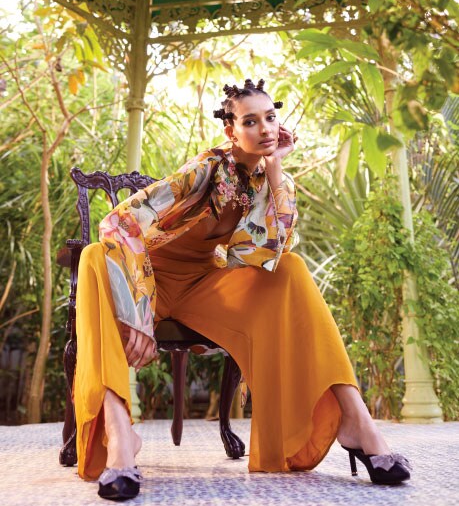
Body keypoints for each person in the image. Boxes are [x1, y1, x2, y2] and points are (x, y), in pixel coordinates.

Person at [74, 79, 411, 501]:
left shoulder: (268, 178)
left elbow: (267, 252)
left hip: (203, 287)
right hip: (148, 280)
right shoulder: (204, 169)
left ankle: (355, 419)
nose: (265, 128)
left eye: (270, 118)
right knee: (92, 256)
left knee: (291, 268)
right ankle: (120, 435)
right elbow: (118, 223)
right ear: (231, 131)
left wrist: (276, 170)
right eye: (250, 121)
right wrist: (137, 311)